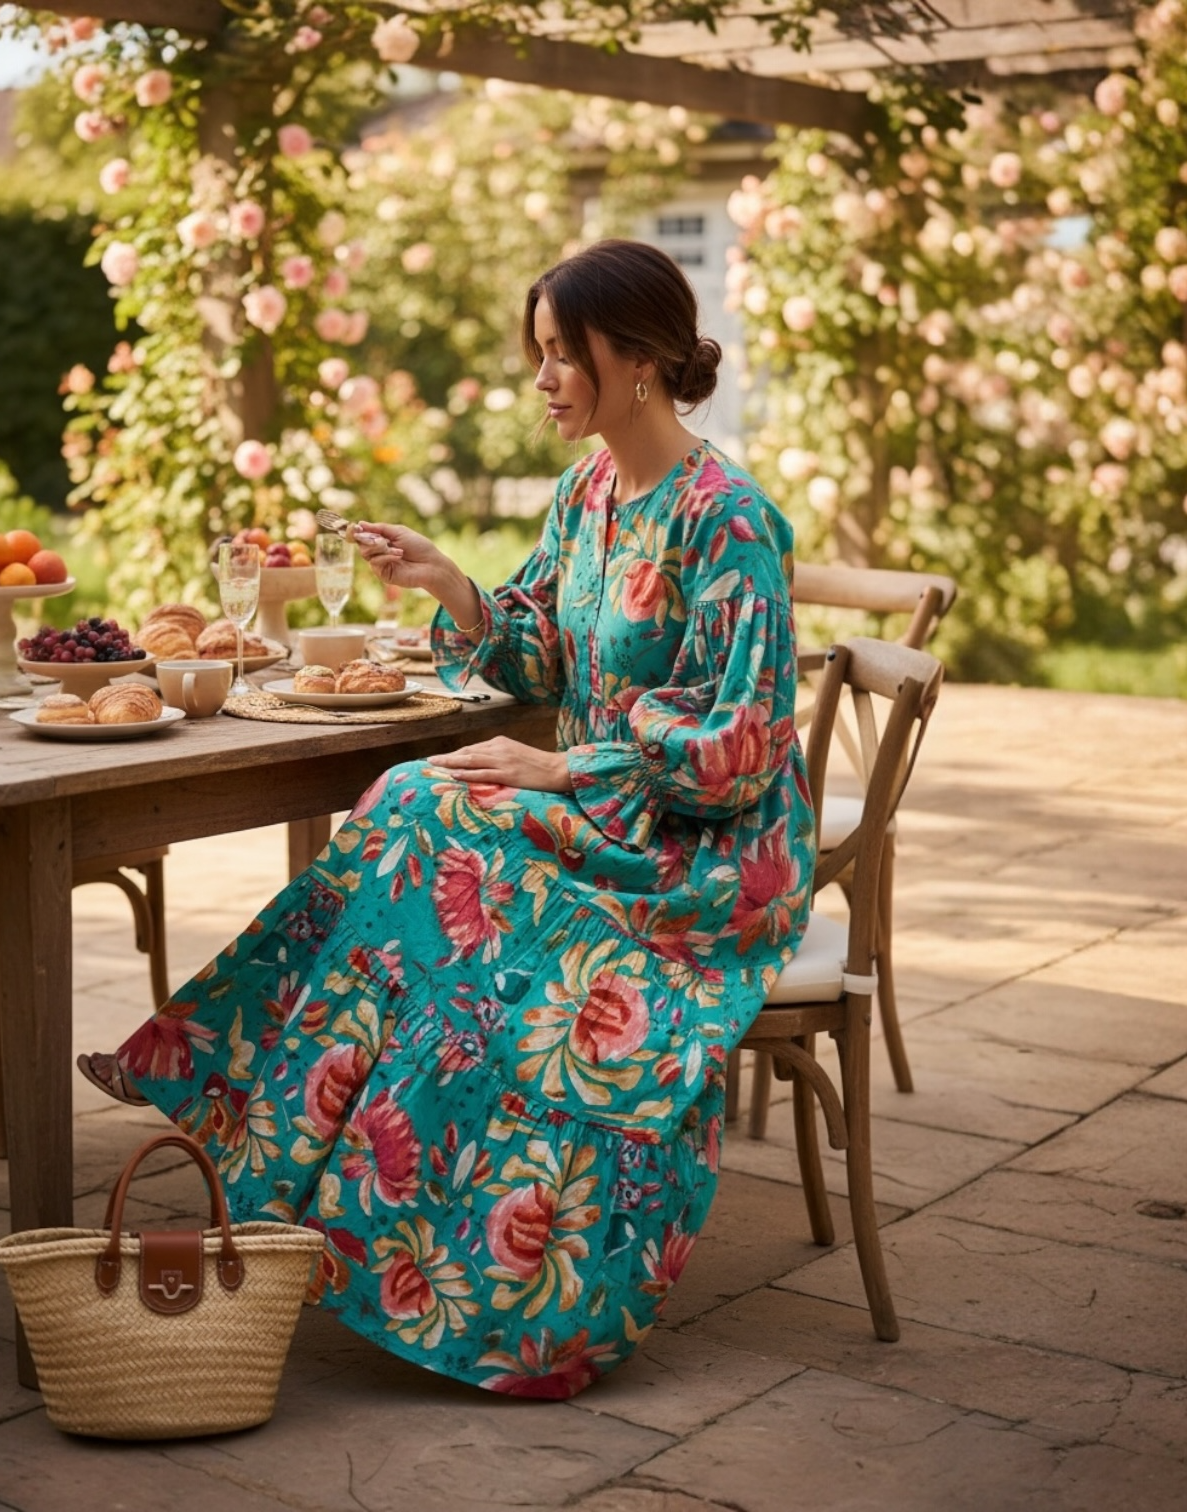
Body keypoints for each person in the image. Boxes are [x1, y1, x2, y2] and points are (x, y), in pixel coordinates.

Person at [79, 238, 815, 1400]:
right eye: (539, 354)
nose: (543, 379)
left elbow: (744, 749)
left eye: (562, 354)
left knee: (432, 826)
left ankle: (287, 1133)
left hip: (699, 856)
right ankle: (292, 1151)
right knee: (414, 807)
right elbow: (539, 647)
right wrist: (451, 586)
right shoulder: (588, 496)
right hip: (606, 810)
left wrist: (564, 770)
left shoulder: (727, 521)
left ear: (639, 359)